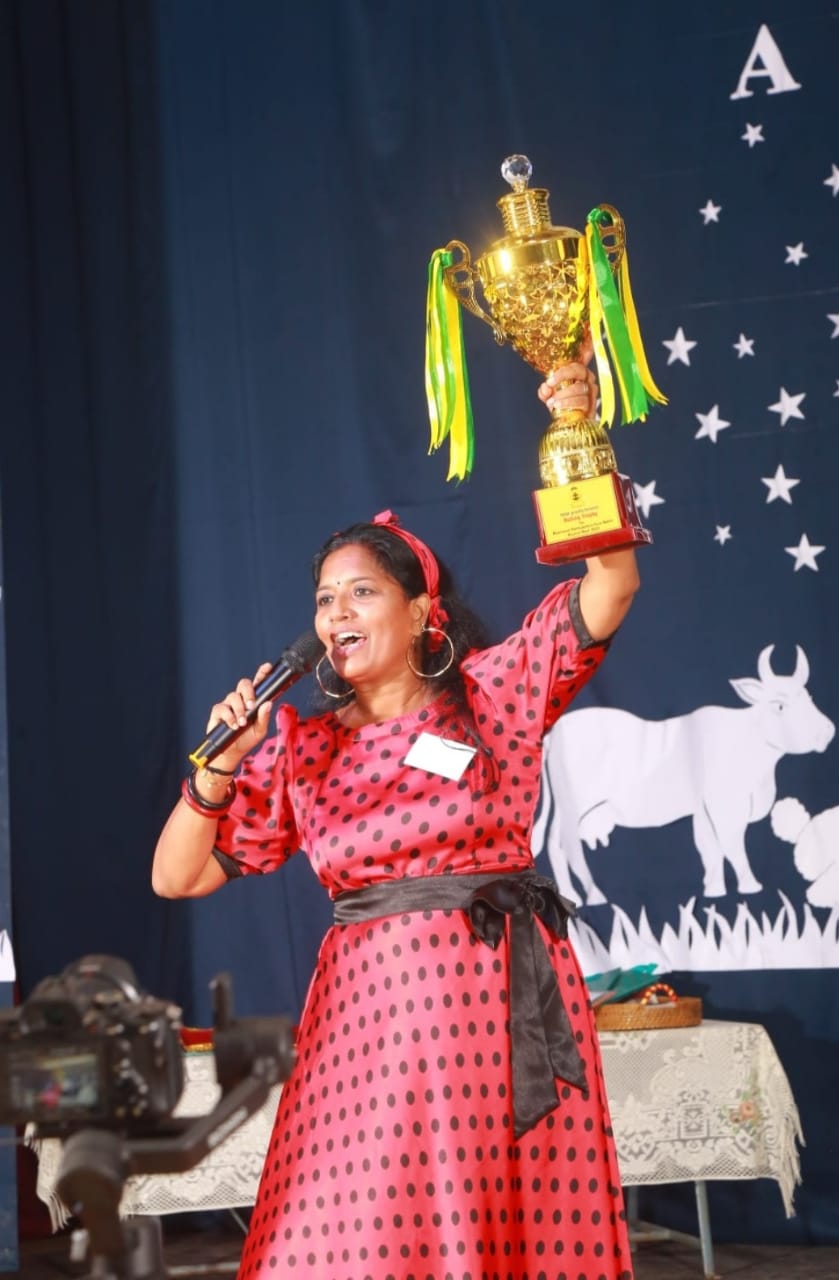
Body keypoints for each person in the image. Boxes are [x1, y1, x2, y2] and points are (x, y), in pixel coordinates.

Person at [152, 344, 638, 1280]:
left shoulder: (493, 693)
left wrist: (576, 432)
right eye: (324, 599)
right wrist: (220, 766)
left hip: (492, 1009)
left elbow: (609, 587)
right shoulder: (301, 743)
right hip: (366, 1025)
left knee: (496, 1229)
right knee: (341, 1238)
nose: (337, 612)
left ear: (421, 612)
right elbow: (177, 876)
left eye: (362, 592)